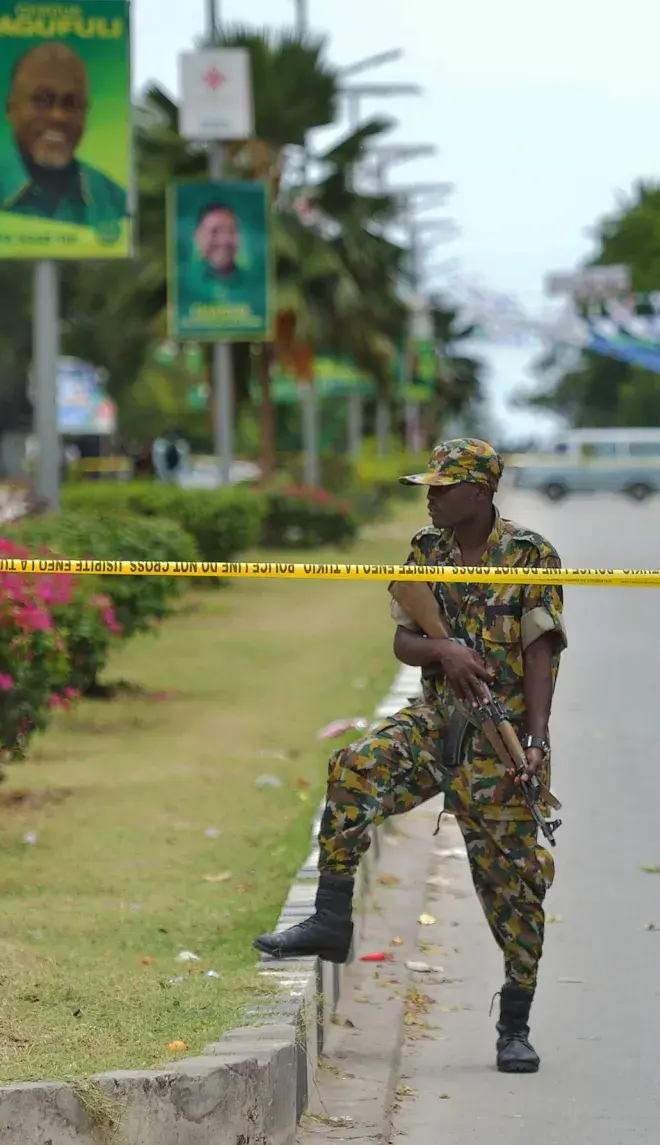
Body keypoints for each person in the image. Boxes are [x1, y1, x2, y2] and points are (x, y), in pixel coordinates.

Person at [253, 438, 566, 1075]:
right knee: (356, 767)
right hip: (434, 722)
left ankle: (514, 1026)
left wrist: (535, 742)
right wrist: (442, 652)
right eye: (429, 485)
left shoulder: (530, 552)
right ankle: (331, 918)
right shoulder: (427, 550)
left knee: (515, 890)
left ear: (479, 492)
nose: (431, 495)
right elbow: (404, 637)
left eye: (444, 487)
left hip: (500, 738)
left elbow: (542, 655)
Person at [0, 42, 128, 229]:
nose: (58, 116)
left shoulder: (113, 201)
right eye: (42, 100)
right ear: (11, 108)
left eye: (72, 103)